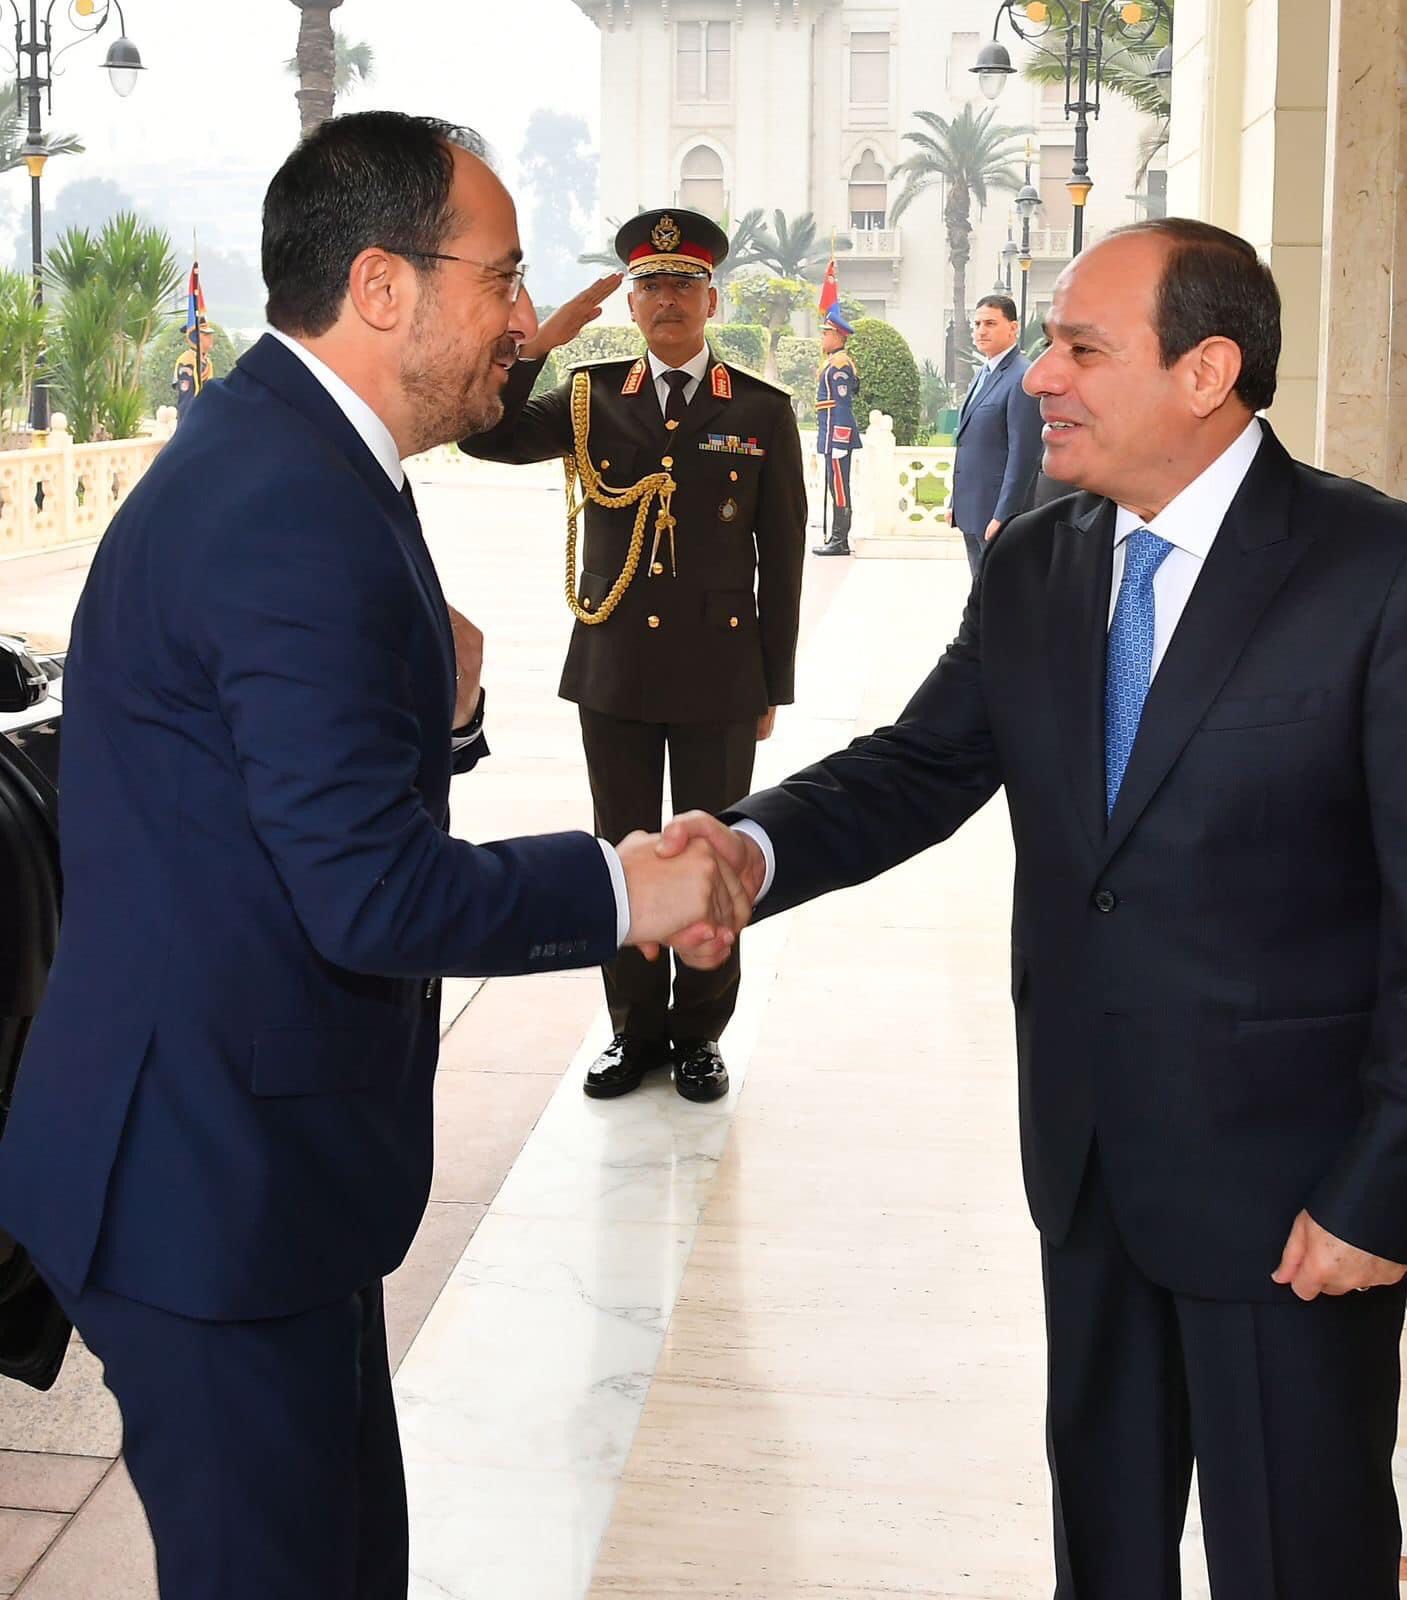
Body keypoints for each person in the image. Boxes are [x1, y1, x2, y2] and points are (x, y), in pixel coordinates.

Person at [662, 218, 1407, 1598]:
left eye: (1081, 347)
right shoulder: (1039, 561)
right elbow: (918, 767)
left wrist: (1386, 1191)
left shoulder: (1389, 577)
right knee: (1106, 1553)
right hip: (1088, 1168)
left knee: (1294, 1559)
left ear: (1206, 372)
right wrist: (749, 851)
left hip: (1295, 1205)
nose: (1040, 378)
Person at [0, 113, 747, 1600]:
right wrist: (627, 885)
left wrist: (442, 715)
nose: (527, 321)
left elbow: (260, 782)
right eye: (504, 277)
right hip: (205, 1182)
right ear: (383, 285)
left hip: (262, 1155)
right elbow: (368, 893)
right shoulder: (286, 501)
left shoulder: (306, 455)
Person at [462, 207, 806, 1105]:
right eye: (650, 285)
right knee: (621, 853)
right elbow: (485, 433)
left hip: (720, 677)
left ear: (711, 300)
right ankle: (633, 1031)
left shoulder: (759, 410)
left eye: (684, 284)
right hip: (614, 668)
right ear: (631, 303)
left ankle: (699, 1036)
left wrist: (773, 683)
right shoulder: (591, 397)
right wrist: (539, 345)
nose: (667, 300)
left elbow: (782, 559)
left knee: (712, 851)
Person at [948, 293, 1044, 577]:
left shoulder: (1021, 377)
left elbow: (1023, 455)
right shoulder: (983, 373)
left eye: (990, 323)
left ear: (1013, 328)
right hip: (972, 509)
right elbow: (970, 442)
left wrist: (1004, 515)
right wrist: (955, 501)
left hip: (997, 515)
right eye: (977, 324)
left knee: (1000, 591)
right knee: (980, 590)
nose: (981, 331)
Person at [813, 306, 862, 556]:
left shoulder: (840, 365)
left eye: (826, 334)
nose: (823, 338)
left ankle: (840, 539)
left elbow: (842, 405)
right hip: (829, 434)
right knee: (835, 487)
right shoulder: (832, 363)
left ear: (838, 337)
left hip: (837, 435)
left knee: (840, 488)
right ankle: (836, 537)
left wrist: (840, 441)